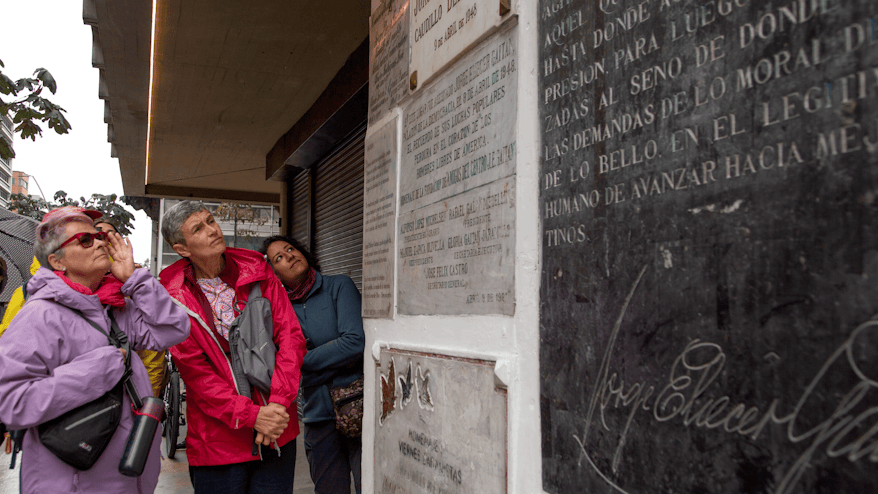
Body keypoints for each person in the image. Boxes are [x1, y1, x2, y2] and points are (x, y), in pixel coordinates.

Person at [0, 206, 190, 493]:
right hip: (71, 481)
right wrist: (99, 370)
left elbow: (174, 329)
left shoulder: (114, 308)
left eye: (99, 235)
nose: (101, 242)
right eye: (85, 240)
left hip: (126, 475)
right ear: (57, 261)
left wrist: (135, 280)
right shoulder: (39, 315)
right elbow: (12, 403)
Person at [158, 201, 306, 494]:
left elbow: (290, 337)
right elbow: (198, 376)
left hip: (276, 429)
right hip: (218, 442)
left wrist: (276, 404)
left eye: (211, 221)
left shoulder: (258, 272)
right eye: (198, 229)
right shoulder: (174, 297)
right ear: (182, 248)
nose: (212, 230)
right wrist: (254, 416)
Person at [261, 235, 364, 494]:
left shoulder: (339, 287)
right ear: (274, 273)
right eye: (279, 258)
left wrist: (304, 361)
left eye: (290, 249)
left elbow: (353, 343)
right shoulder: (278, 309)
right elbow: (281, 364)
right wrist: (333, 358)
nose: (290, 256)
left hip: (358, 407)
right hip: (317, 415)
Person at [96, 216, 169, 398]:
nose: (103, 241)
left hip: (131, 392)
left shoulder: (135, 284)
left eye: (110, 236)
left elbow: (154, 354)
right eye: (97, 235)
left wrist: (147, 403)